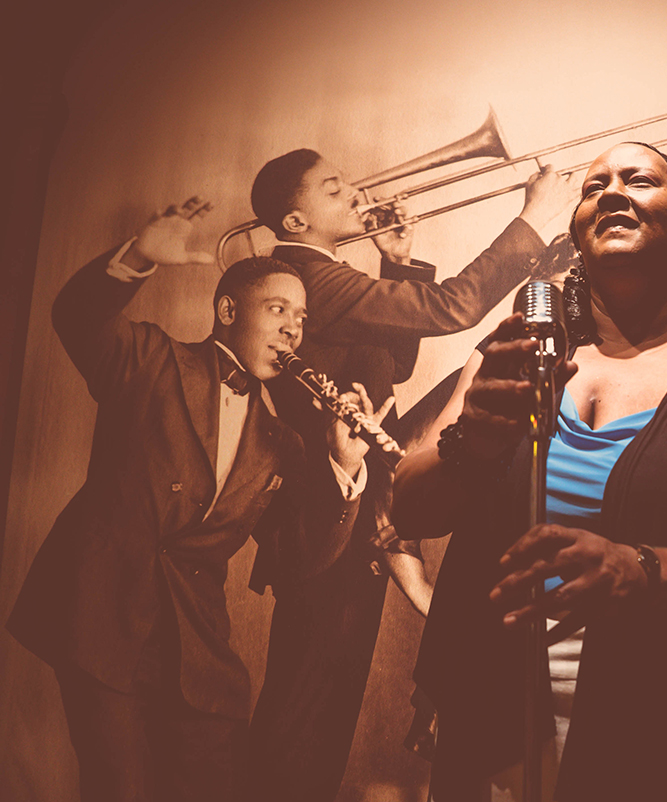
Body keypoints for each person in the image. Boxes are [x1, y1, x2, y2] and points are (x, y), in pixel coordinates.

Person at [393, 142, 667, 802]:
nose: (612, 192)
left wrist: (647, 567)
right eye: (594, 186)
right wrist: (470, 441)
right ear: (577, 235)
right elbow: (409, 508)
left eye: (639, 179)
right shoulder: (514, 351)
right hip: (498, 725)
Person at [6, 198, 386, 801]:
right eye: (278, 309)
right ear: (228, 310)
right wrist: (138, 256)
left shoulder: (283, 442)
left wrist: (344, 465)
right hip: (99, 616)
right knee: (121, 789)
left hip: (195, 647)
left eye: (301, 317)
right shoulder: (152, 359)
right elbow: (76, 316)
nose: (293, 329)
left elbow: (298, 561)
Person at [242, 148, 577, 801]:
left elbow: (391, 368)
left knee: (326, 706)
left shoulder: (328, 279)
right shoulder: (306, 278)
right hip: (326, 511)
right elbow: (453, 308)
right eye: (333, 187)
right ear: (295, 220)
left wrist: (398, 262)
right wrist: (534, 219)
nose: (355, 191)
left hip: (358, 497)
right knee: (305, 710)